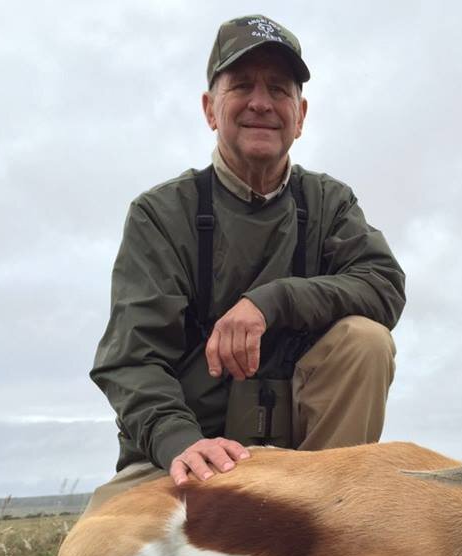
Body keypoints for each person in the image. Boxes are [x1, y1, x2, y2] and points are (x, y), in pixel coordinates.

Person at [85, 15, 405, 513]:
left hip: (304, 463)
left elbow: (383, 286)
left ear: (300, 115)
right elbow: (130, 361)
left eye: (279, 89)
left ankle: (332, 524)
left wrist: (270, 301)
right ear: (210, 109)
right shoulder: (160, 214)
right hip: (191, 456)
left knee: (366, 340)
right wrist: (179, 443)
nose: (261, 102)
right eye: (242, 85)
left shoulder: (330, 202)